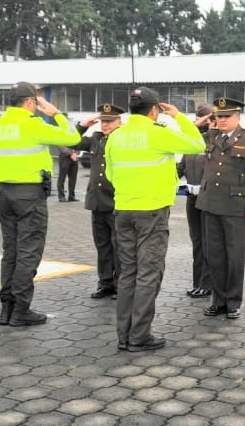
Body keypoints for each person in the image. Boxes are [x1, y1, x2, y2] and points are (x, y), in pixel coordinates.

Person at [105, 86, 205, 352]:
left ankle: (123, 335)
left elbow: (111, 175)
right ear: (154, 110)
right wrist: (180, 117)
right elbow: (198, 144)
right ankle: (139, 336)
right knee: (149, 273)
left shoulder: (116, 135)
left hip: (123, 211)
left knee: (128, 273)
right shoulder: (158, 134)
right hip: (152, 213)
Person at [0, 81, 82, 327]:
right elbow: (73, 137)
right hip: (29, 195)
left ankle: (6, 309)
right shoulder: (33, 124)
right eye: (36, 101)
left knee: (11, 252)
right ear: (29, 102)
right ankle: (21, 310)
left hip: (4, 193)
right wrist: (56, 113)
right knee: (28, 252)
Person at [197, 97, 245, 320]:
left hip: (235, 205)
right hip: (209, 203)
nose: (221, 120)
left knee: (234, 257)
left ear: (238, 117)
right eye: (218, 116)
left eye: (226, 116)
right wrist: (199, 125)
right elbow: (189, 140)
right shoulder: (210, 136)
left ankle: (233, 302)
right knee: (214, 255)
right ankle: (218, 300)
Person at [75, 103, 125, 300]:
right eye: (103, 121)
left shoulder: (124, 138)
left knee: (119, 246)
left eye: (110, 121)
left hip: (116, 200)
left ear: (119, 121)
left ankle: (122, 284)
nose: (105, 125)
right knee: (102, 245)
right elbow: (71, 142)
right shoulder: (96, 138)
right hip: (97, 200)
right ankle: (105, 283)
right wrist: (83, 125)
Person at [177, 104, 217, 298]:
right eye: (197, 118)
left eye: (203, 118)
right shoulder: (192, 143)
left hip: (208, 198)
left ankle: (208, 283)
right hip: (192, 198)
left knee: (208, 242)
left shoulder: (213, 140)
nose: (198, 122)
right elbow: (181, 167)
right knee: (197, 242)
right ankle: (198, 282)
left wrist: (211, 127)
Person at [57, 115, 80, 202]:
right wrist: (71, 153)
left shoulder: (74, 131)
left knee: (73, 178)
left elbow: (78, 141)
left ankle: (71, 196)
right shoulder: (60, 131)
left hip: (74, 157)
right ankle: (61, 196)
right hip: (65, 157)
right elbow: (60, 145)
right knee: (62, 178)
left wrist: (76, 153)